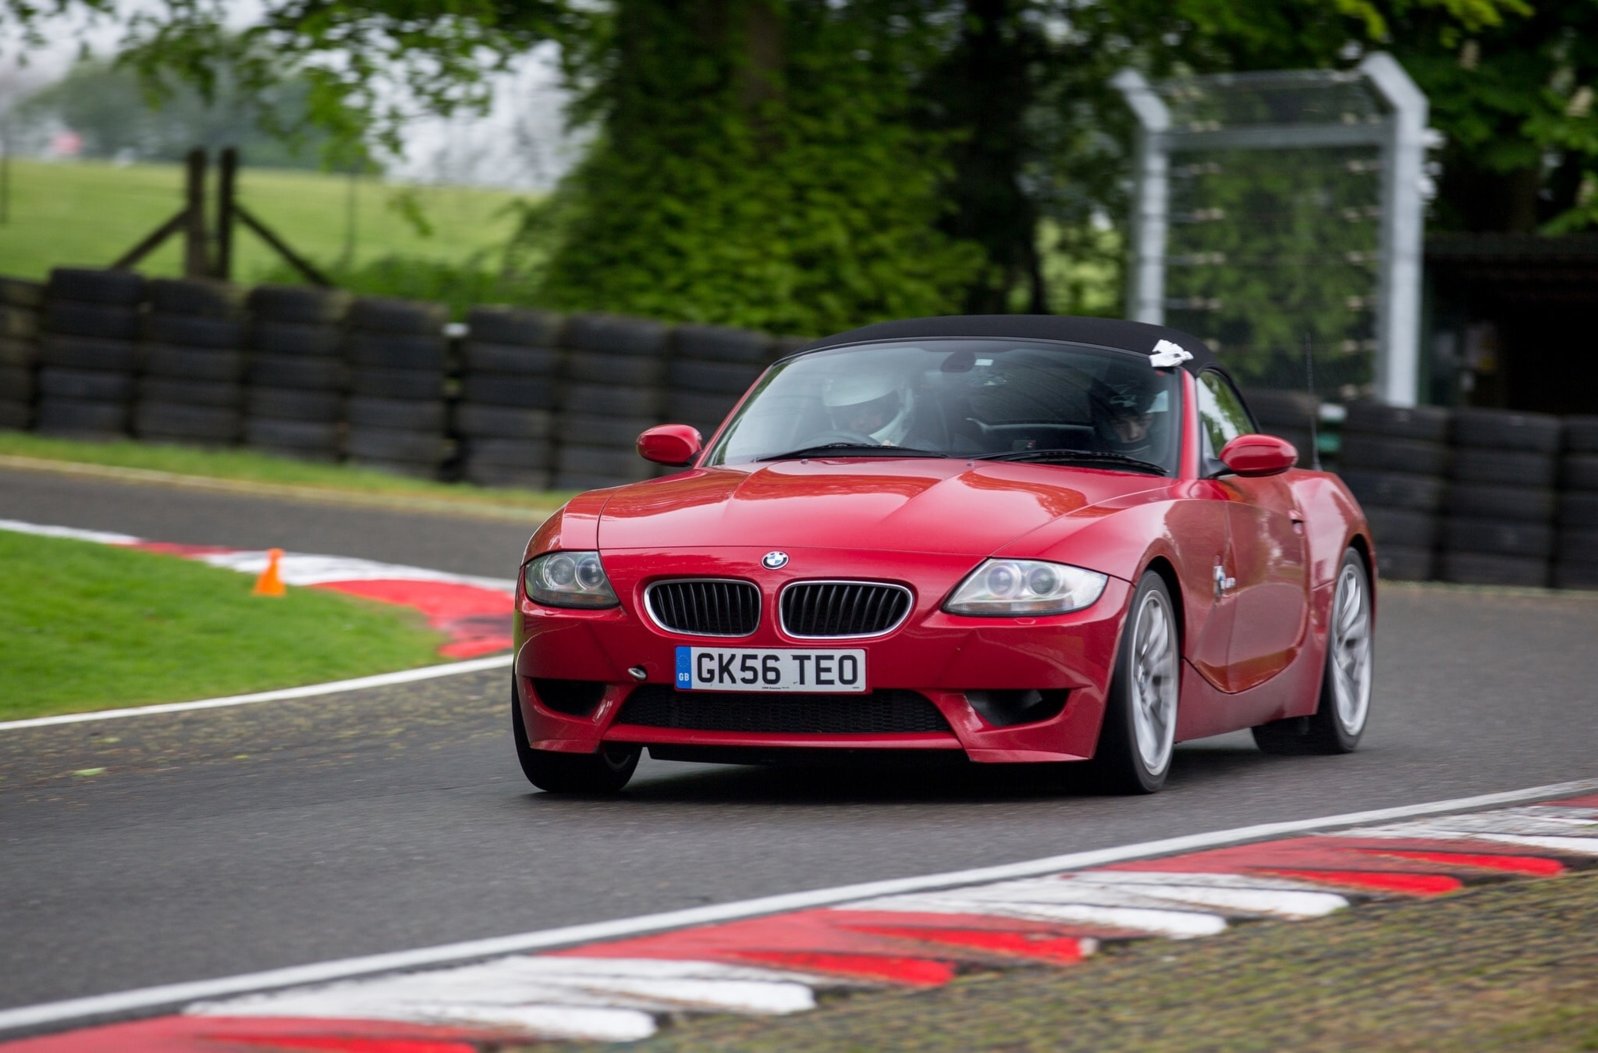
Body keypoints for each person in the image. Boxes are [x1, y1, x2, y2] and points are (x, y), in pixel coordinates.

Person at [821, 371, 916, 446]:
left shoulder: (920, 454)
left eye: (873, 411)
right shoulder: (824, 451)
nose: (861, 422)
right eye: (851, 414)